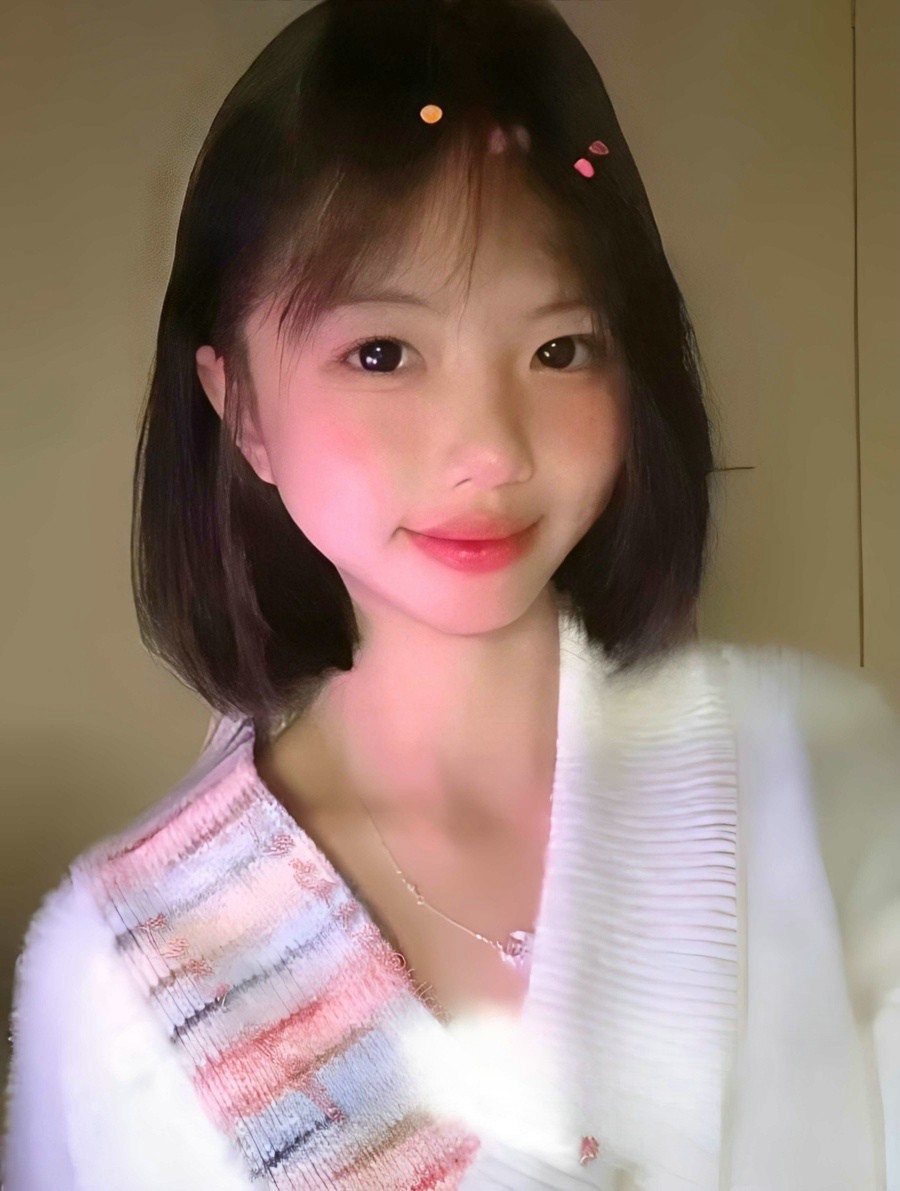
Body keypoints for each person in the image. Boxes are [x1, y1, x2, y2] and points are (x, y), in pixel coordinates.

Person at [3, 0, 899, 1187]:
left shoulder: (823, 789)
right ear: (241, 406)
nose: (490, 450)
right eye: (382, 353)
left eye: (560, 348)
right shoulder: (121, 971)